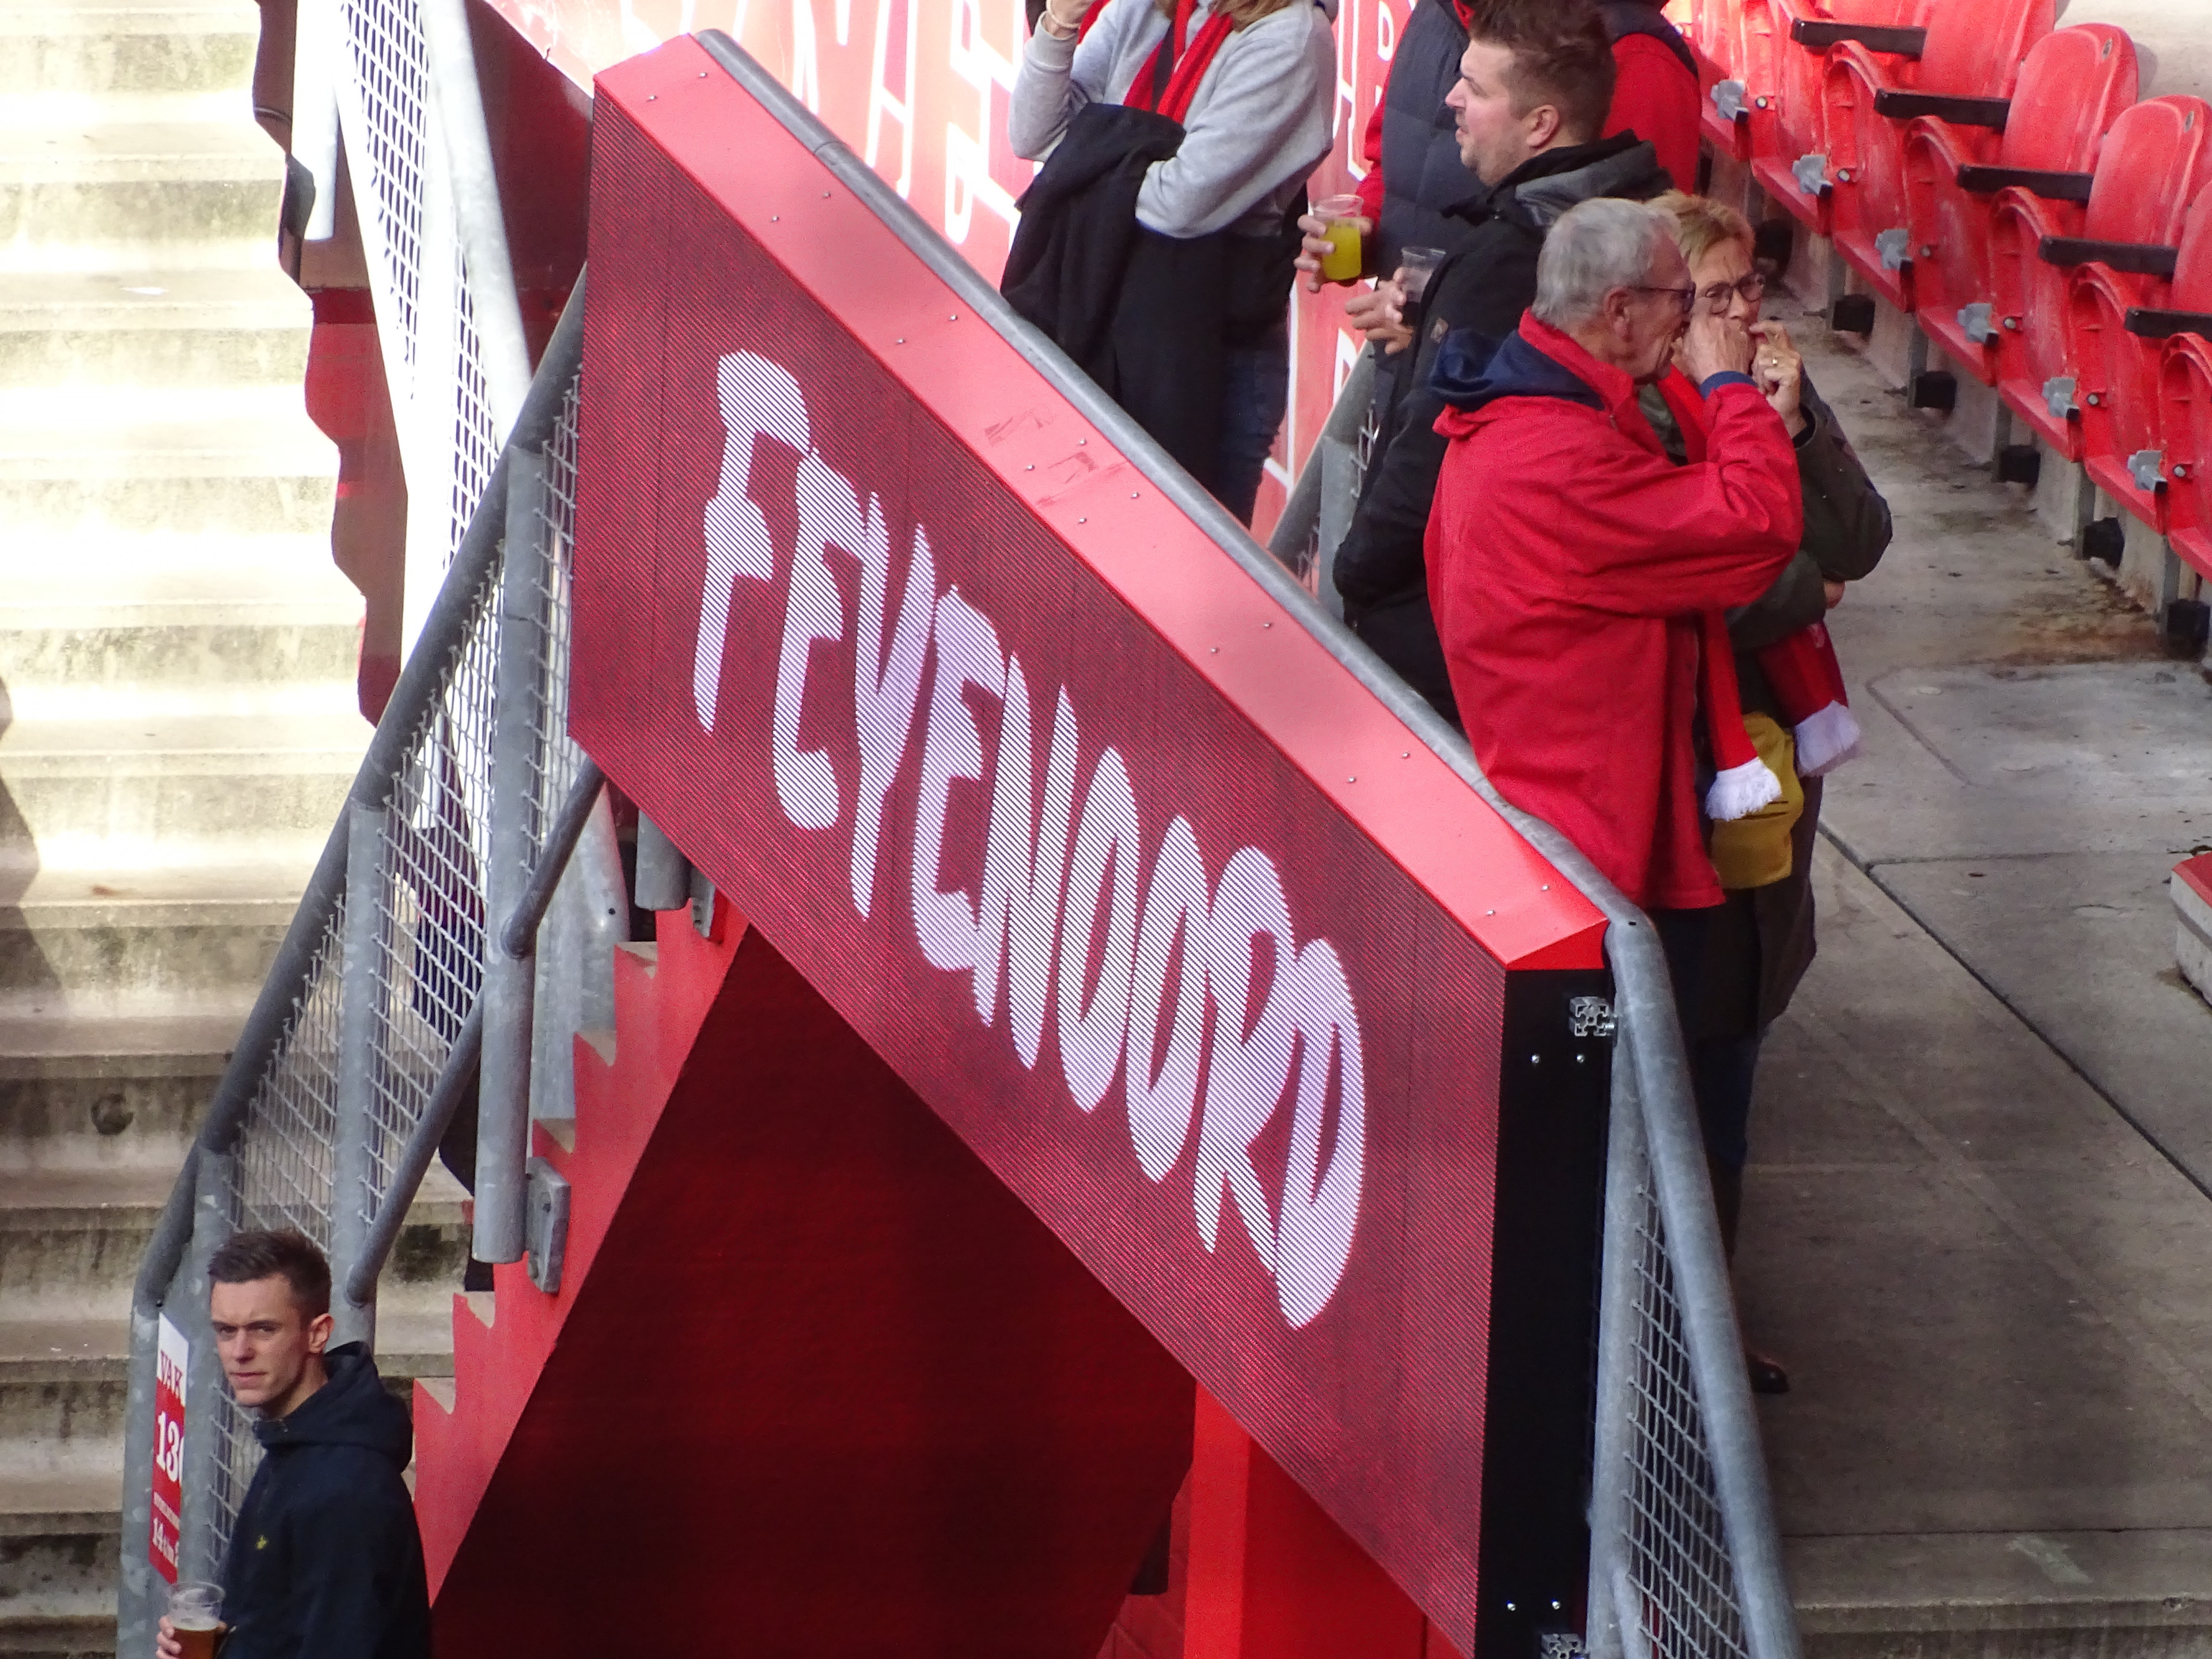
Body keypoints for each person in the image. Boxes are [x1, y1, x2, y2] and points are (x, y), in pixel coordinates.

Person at [1644, 191, 1891, 1389]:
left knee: (1736, 1059)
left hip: (1774, 774)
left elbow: (1864, 536)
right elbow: (1712, 588)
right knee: (1675, 1063)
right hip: (1679, 773)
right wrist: (1804, 589)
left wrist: (1793, 434)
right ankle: (1656, 1332)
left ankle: (1709, 1323)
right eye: (1717, 298)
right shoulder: (1639, 413)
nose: (1746, 315)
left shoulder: (1774, 388)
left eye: (1752, 289)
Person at [1425, 196, 1801, 974]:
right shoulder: (1560, 460)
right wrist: (1731, 388)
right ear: (1619, 310)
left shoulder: (1529, 411)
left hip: (1577, 827)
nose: (1695, 320)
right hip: (1594, 853)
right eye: (1684, 300)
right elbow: (1758, 525)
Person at [1332, 0, 1671, 722]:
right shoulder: (1622, 209)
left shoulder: (1512, 260)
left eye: (1477, 89)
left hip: (1457, 648)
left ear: (1540, 124)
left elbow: (1433, 449)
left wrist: (1354, 574)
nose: (1453, 100)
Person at [1003, 0, 1335, 523]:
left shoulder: (1292, 37)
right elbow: (1034, 135)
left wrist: (1085, 161)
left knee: (1179, 583)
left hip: (1210, 358)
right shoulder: (1144, 10)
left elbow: (1180, 205)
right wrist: (1059, 25)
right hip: (1098, 322)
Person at [1293, 0, 1698, 351]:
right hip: (1412, 346)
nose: (1455, 98)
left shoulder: (1634, 50)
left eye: (1473, 89)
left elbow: (1635, 283)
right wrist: (1369, 229)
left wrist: (1441, 324)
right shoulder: (1438, 15)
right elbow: (1395, 155)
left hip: (1499, 384)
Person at [156, 1229, 431, 1659]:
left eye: (263, 1329)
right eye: (226, 1331)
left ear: (318, 1334)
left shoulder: (345, 1492)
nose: (240, 1351)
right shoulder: (294, 1442)